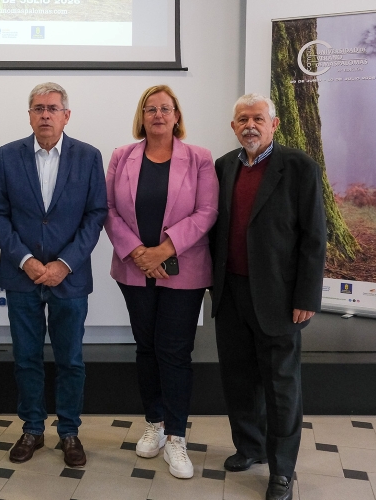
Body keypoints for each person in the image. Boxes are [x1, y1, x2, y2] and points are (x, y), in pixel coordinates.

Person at [210, 93, 326, 500]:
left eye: (258, 118)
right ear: (233, 126)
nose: (250, 126)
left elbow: (315, 237)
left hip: (279, 297)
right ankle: (250, 447)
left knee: (280, 388)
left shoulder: (299, 167)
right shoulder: (223, 166)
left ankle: (281, 471)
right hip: (230, 292)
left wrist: (307, 295)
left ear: (274, 124)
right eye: (243, 119)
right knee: (238, 379)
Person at [0, 82, 107, 468]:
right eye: (38, 108)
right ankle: (32, 429)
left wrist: (64, 263)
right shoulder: (8, 156)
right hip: (22, 276)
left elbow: (96, 214)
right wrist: (25, 259)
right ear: (29, 115)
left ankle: (69, 432)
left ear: (66, 115)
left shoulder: (88, 157)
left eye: (52, 109)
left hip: (69, 278)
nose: (45, 115)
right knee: (26, 358)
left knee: (70, 359)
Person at [104, 85, 219, 479]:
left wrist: (164, 250)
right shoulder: (122, 156)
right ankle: (154, 422)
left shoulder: (199, 158)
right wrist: (140, 253)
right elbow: (109, 210)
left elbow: (207, 211)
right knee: (147, 348)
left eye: (165, 108)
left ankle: (176, 437)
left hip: (184, 270)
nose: (157, 115)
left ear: (176, 116)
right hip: (134, 270)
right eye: (150, 109)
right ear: (142, 116)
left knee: (175, 351)